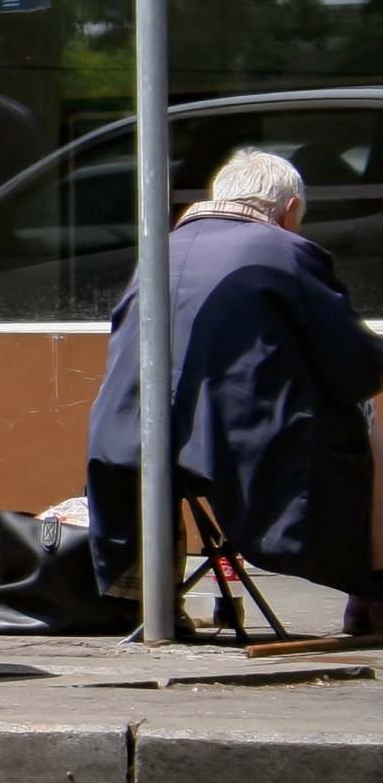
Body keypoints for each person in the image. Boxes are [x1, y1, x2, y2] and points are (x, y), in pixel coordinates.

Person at [86, 148, 383, 636]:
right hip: (240, 453)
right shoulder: (285, 250)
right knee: (378, 414)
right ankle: (373, 590)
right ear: (288, 212)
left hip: (127, 443)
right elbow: (356, 366)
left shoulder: (159, 250)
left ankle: (145, 599)